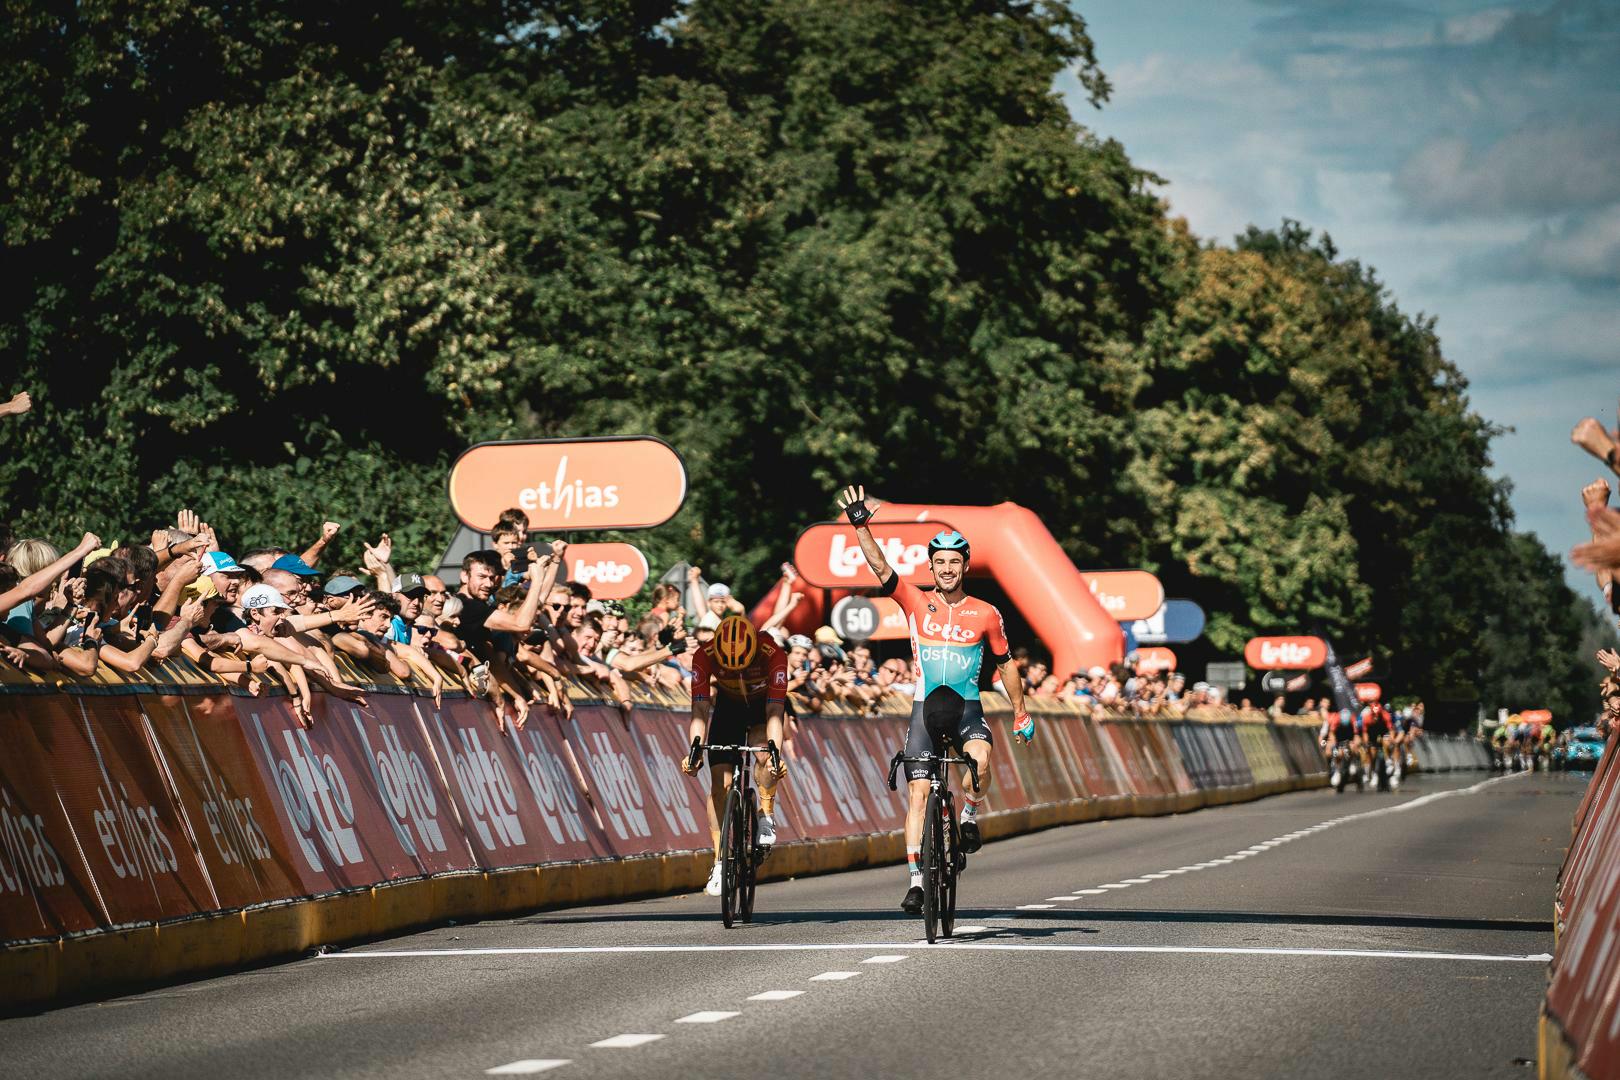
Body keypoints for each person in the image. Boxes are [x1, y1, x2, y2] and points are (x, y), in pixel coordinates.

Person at [835, 483, 1032, 915]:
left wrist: (1020, 712)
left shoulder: (985, 612)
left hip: (966, 709)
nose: (946, 569)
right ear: (932, 566)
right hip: (925, 711)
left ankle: (967, 818)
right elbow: (879, 567)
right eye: (939, 562)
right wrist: (860, 527)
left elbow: (1006, 664)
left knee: (979, 759)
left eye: (954, 562)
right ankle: (916, 882)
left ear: (965, 566)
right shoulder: (914, 600)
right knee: (918, 794)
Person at [680, 614, 790, 898]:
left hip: (762, 706)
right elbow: (700, 709)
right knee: (720, 782)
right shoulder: (703, 655)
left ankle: (765, 813)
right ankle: (719, 861)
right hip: (728, 708)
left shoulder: (773, 653)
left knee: (765, 755)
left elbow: (775, 713)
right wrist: (695, 747)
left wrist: (775, 753)